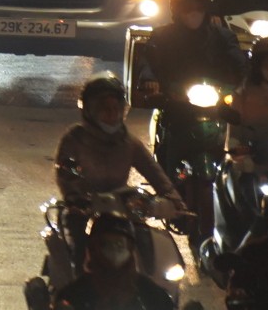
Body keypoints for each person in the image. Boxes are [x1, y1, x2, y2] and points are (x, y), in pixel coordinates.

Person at [52, 75, 181, 263]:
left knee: (147, 245)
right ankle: (78, 287)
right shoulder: (74, 139)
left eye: (116, 109)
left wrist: (174, 200)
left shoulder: (129, 142)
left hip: (122, 208)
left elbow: (154, 172)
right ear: (90, 111)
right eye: (104, 109)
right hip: (83, 210)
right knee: (77, 251)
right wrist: (76, 198)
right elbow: (67, 173)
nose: (111, 115)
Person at [132, 0, 248, 177]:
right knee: (165, 146)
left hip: (218, 103)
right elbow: (148, 62)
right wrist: (151, 80)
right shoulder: (162, 36)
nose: (194, 12)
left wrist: (245, 81)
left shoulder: (223, 36)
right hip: (176, 102)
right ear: (177, 10)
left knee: (243, 146)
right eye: (187, 7)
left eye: (199, 7)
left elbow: (239, 62)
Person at [49, 214, 172, 310]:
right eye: (106, 245)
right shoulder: (73, 295)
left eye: (120, 245)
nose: (114, 250)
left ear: (130, 249)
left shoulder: (153, 294)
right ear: (94, 249)